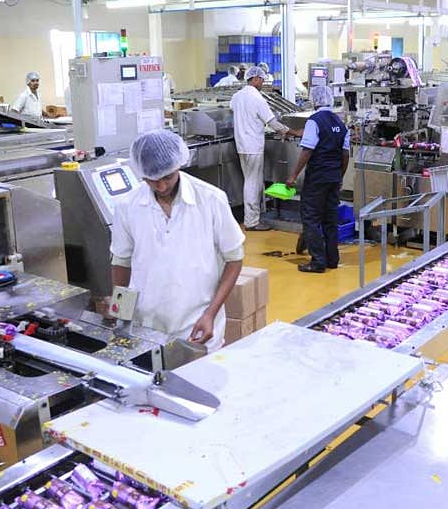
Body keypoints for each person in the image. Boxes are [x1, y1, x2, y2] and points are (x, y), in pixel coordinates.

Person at [109, 129, 245, 350]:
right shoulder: (127, 206)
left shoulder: (210, 199)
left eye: (167, 177)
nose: (161, 187)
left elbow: (234, 259)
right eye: (152, 180)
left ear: (179, 165)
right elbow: (121, 261)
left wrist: (210, 314)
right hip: (146, 325)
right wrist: (120, 312)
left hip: (197, 325)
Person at [286, 85, 350, 273]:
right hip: (333, 177)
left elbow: (307, 150)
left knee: (311, 218)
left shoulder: (314, 121)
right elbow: (345, 155)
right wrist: (340, 176)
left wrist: (293, 175)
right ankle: (332, 259)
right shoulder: (340, 123)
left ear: (314, 100)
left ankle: (317, 262)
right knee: (330, 219)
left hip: (318, 177)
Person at [230, 66, 299, 231]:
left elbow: (234, 110)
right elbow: (272, 122)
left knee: (250, 180)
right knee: (253, 182)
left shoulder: (237, 96)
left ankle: (254, 215)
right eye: (261, 80)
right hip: (253, 145)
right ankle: (252, 222)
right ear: (255, 79)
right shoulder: (257, 98)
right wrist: (291, 132)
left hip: (241, 144)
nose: (262, 83)